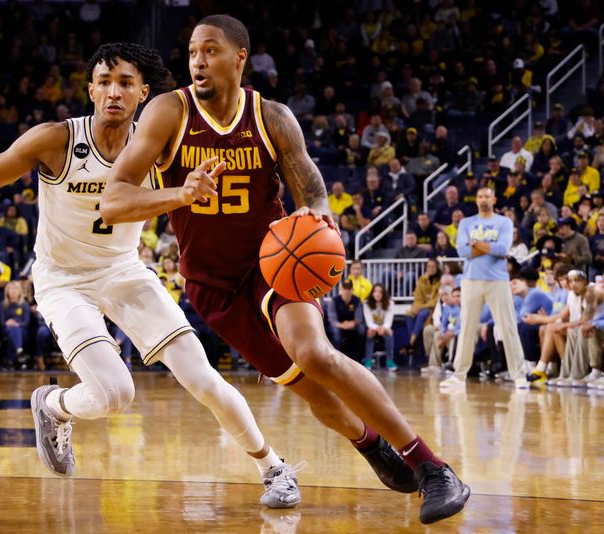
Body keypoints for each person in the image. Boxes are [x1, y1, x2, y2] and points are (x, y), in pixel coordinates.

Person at [101, 15, 469, 524]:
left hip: (273, 265)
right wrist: (180, 193)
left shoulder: (271, 116)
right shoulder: (168, 112)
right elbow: (113, 201)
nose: (198, 61)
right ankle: (369, 443)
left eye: (210, 50)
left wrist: (317, 209)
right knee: (307, 386)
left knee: (315, 353)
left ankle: (432, 467)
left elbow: (310, 185)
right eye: (192, 53)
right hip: (213, 287)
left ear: (240, 57)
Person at [0, 42, 301, 508]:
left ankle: (273, 468)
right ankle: (54, 405)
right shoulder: (56, 139)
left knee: (203, 378)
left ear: (144, 92)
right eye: (104, 82)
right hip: (63, 279)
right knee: (115, 394)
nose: (113, 92)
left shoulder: (159, 146)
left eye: (125, 83)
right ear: (90, 90)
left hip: (124, 271)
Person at [440, 188, 529, 390]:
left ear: (494, 199)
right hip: (471, 280)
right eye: (480, 196)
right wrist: (488, 246)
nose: (483, 199)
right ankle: (459, 375)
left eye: (487, 196)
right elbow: (463, 251)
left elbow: (503, 249)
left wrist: (476, 243)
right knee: (466, 329)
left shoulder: (504, 222)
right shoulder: (466, 222)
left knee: (507, 327)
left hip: (497, 280)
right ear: (476, 200)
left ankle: (519, 375)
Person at [363, 284, 396, 371]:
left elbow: (389, 321)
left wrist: (383, 328)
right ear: (372, 293)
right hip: (373, 328)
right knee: (370, 332)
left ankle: (389, 361)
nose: (377, 294)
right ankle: (368, 360)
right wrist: (377, 328)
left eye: (380, 291)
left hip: (384, 328)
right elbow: (369, 322)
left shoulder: (390, 303)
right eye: (375, 291)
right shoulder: (367, 303)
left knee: (389, 332)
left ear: (384, 293)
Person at [0, 281, 31, 369]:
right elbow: (2, 322)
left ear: (20, 291)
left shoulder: (24, 304)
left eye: (15, 289)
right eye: (11, 289)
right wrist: (7, 323)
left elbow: (26, 322)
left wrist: (17, 324)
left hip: (22, 330)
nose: (13, 291)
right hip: (7, 329)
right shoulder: (3, 305)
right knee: (12, 331)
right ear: (7, 291)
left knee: (15, 332)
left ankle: (10, 361)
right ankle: (19, 352)